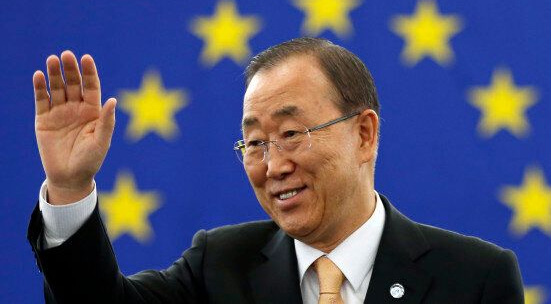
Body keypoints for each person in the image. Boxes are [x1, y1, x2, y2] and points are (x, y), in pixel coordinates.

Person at [28, 37, 524, 303]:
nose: (273, 165)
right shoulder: (219, 266)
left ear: (364, 134)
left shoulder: (475, 279)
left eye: (291, 134)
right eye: (256, 142)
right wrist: (71, 187)